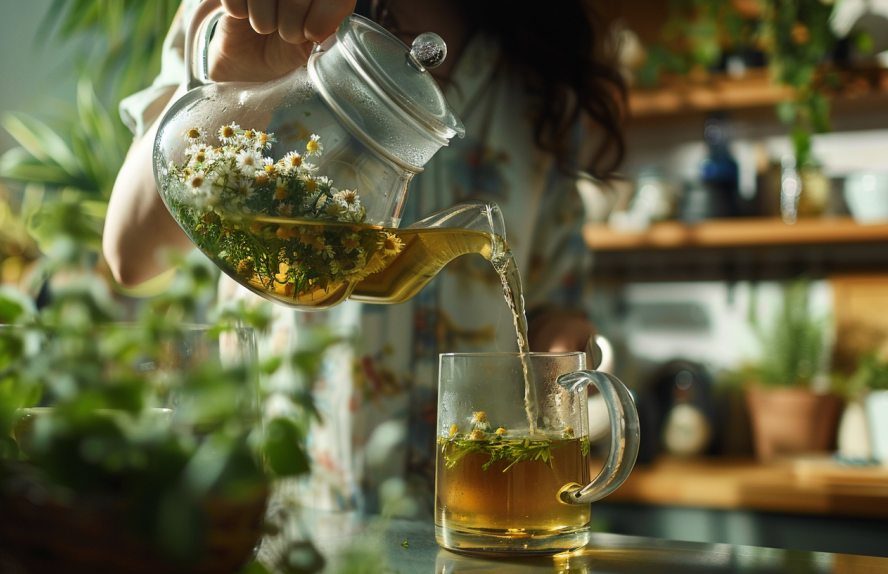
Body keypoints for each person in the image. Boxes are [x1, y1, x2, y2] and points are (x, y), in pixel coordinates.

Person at [104, 0, 626, 512]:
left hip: (475, 510)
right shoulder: (261, 12)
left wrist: (565, 378)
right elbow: (132, 256)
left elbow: (554, 305)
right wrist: (229, 78)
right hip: (290, 499)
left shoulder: (543, 62)